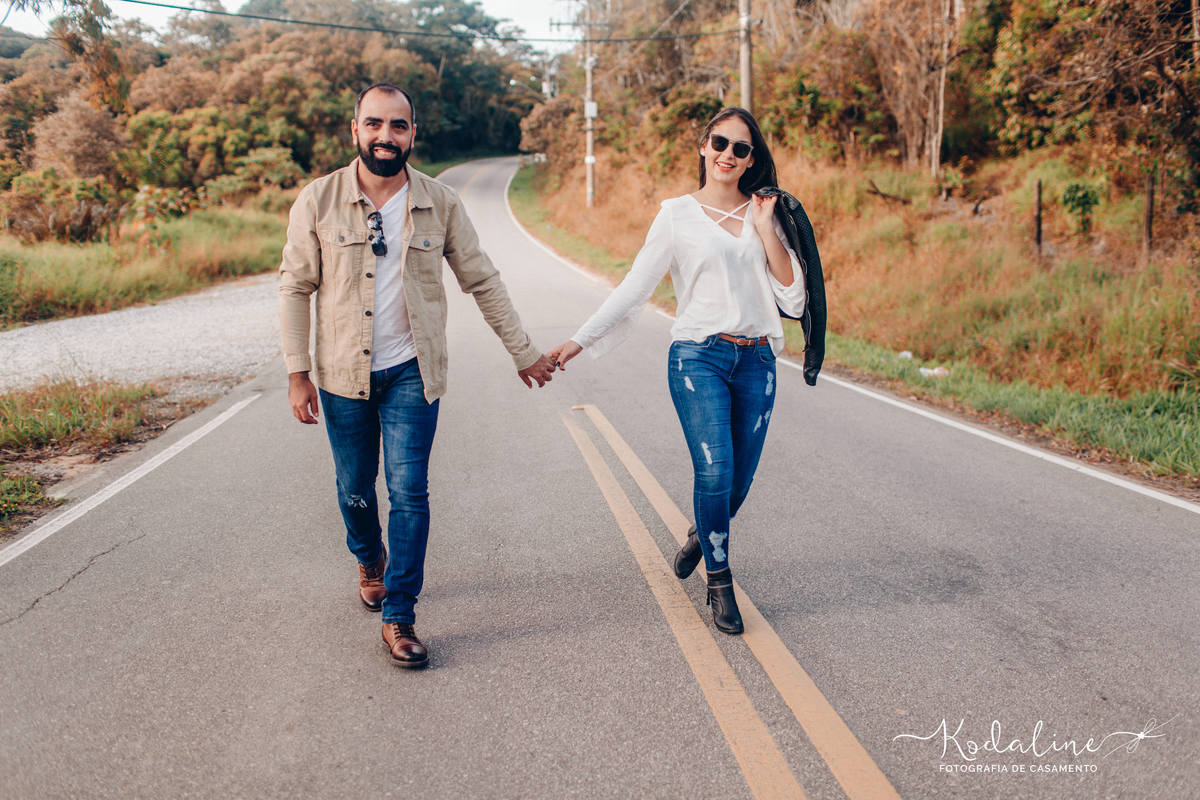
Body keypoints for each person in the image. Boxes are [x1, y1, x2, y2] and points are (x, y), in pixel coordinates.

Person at [279, 83, 557, 668]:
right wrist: (296, 372)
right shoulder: (318, 199)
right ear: (355, 130)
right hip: (340, 374)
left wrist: (523, 351)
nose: (386, 136)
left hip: (412, 372)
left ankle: (399, 615)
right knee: (356, 489)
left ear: (413, 134)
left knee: (410, 492)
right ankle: (368, 556)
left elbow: (481, 279)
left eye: (398, 125)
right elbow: (295, 286)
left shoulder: (440, 202)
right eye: (374, 124)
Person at [548, 107, 805, 635]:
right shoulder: (675, 214)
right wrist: (578, 341)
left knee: (738, 482)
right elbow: (634, 289)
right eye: (720, 143)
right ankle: (719, 580)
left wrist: (764, 227)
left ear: (752, 158)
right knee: (714, 471)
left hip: (758, 358)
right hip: (698, 356)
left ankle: (700, 535)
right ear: (702, 147)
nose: (728, 155)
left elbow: (794, 297)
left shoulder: (766, 213)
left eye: (741, 148)